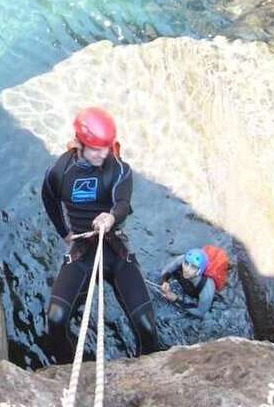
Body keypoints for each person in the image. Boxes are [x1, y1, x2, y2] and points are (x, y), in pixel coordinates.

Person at [42, 107, 160, 364]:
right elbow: (49, 200)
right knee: (56, 319)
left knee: (147, 327)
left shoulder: (118, 170)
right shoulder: (60, 172)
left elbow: (122, 202)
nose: (103, 154)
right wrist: (65, 232)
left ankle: (146, 375)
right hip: (83, 251)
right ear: (79, 144)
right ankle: (69, 371)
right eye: (96, 148)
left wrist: (111, 217)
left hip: (115, 248)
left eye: (106, 147)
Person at [158, 248, 216, 319]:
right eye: (186, 264)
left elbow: (201, 313)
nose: (186, 269)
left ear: (199, 271)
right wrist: (165, 282)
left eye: (193, 267)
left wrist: (176, 300)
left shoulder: (206, 287)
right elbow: (166, 270)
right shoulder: (183, 259)